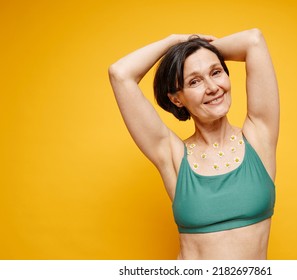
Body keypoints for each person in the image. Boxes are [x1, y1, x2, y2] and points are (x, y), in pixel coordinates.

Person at [108, 28, 279, 260]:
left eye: (216, 72)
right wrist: (175, 42)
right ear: (177, 98)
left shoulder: (260, 136)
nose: (212, 87)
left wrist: (200, 48)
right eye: (195, 81)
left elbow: (253, 40)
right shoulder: (173, 156)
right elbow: (120, 74)